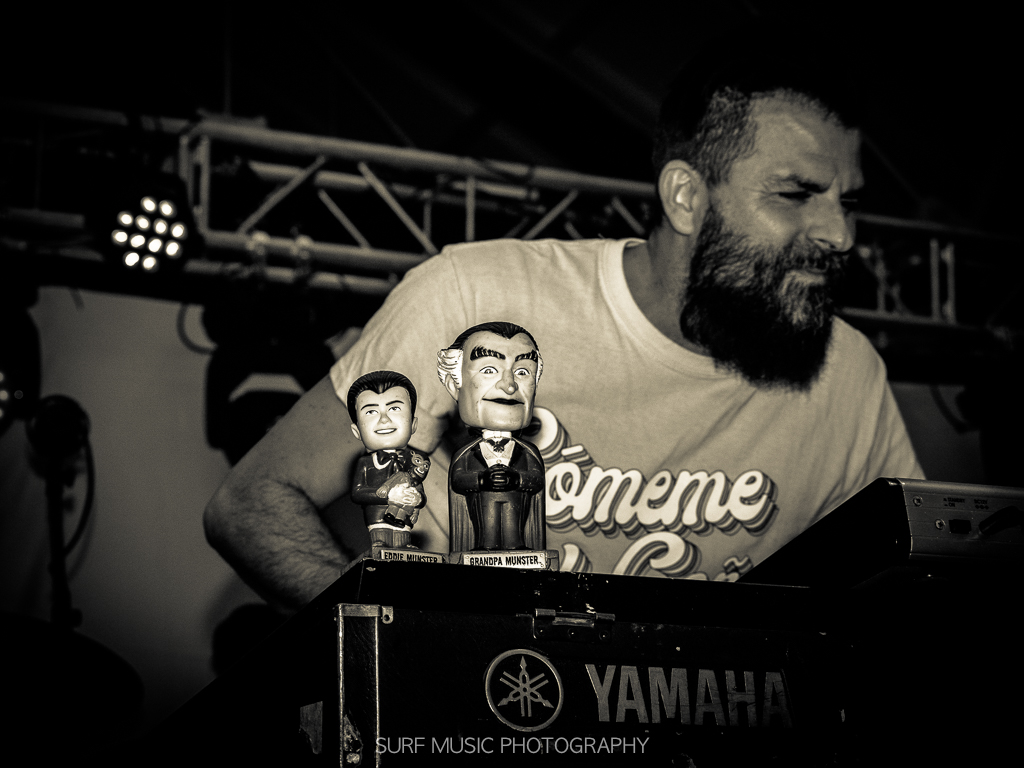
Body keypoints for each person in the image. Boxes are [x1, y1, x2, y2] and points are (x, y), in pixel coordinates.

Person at [204, 38, 923, 613]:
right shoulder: (478, 299)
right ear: (686, 197)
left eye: (848, 203)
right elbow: (253, 504)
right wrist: (397, 655)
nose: (839, 234)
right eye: (796, 194)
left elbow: (914, 589)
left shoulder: (848, 375)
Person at [438, 322, 546, 553]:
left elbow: (536, 479)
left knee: (513, 529)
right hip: (482, 504)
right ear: (453, 385)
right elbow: (459, 480)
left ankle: (515, 547)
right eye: (489, 370)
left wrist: (517, 480)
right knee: (486, 529)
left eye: (522, 372)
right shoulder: (466, 454)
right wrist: (482, 480)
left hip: (516, 502)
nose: (509, 385)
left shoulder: (527, 453)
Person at [346, 370, 430, 550]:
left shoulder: (412, 461)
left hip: (405, 518)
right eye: (371, 411)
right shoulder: (365, 463)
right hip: (377, 518)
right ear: (357, 431)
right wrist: (388, 495)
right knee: (381, 546)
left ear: (413, 424)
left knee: (402, 545)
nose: (384, 419)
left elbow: (419, 488)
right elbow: (357, 493)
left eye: (394, 409)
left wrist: (417, 498)